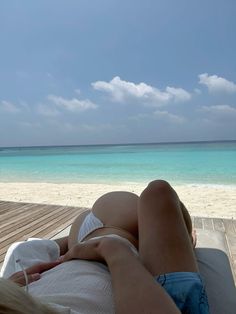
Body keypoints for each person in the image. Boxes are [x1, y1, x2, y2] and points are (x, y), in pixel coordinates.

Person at [0, 180, 209, 313]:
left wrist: (9, 291)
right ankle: (186, 244)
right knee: (158, 192)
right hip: (133, 266)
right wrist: (109, 248)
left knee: (155, 193)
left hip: (76, 249)